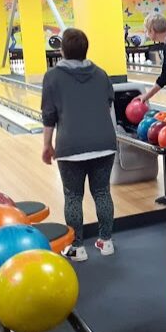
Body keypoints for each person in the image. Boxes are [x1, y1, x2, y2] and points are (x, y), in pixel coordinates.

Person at [41, 28, 117, 261]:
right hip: (104, 143)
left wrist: (47, 145)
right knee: (102, 192)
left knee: (73, 196)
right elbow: (108, 105)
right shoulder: (102, 74)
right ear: (86, 49)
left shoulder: (52, 76)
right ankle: (106, 242)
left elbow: (49, 115)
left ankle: (77, 247)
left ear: (62, 50)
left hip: (71, 146)